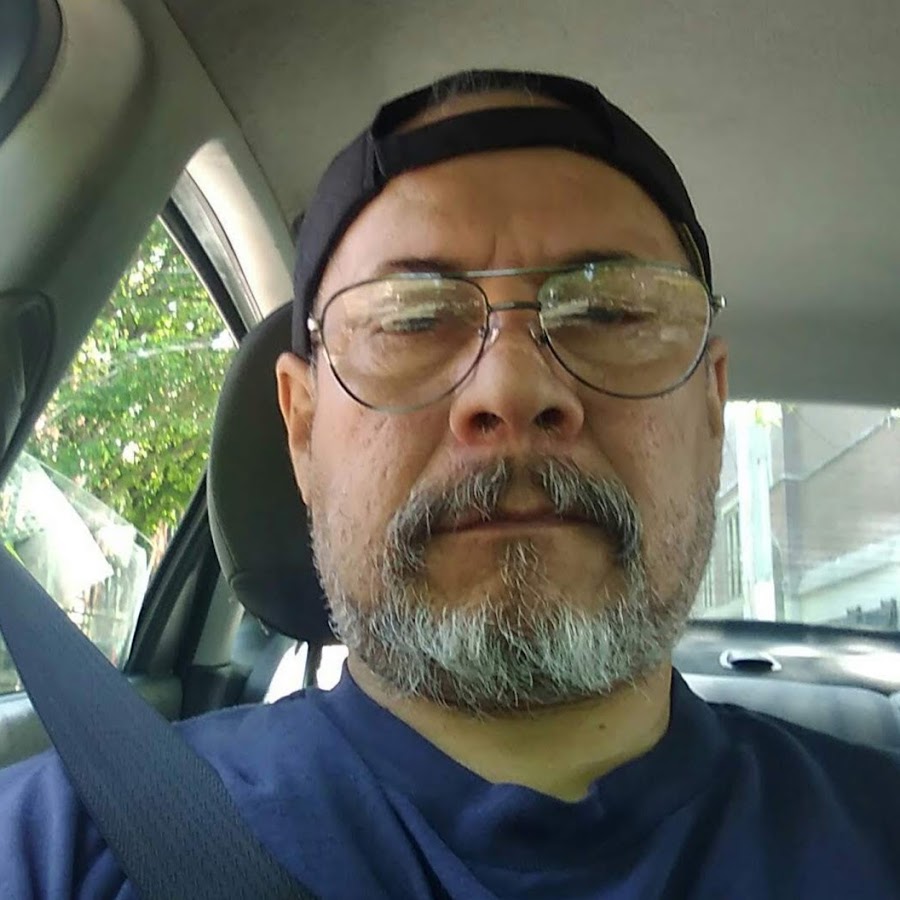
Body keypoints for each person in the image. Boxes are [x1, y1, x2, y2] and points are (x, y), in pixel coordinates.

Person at [1, 68, 899, 899]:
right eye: (413, 319)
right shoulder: (60, 848)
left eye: (609, 311)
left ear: (712, 409)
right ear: (302, 429)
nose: (512, 391)